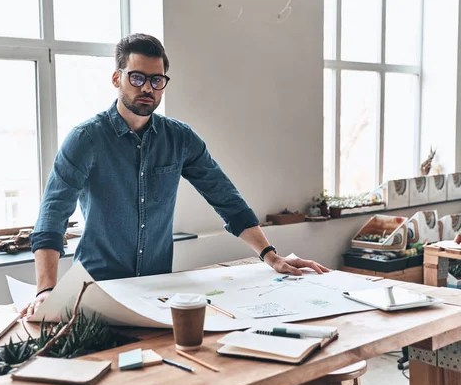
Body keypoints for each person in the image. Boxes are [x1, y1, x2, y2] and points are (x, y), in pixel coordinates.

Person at [23, 33, 329, 318]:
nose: (147, 88)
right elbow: (53, 215)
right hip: (96, 291)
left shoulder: (179, 139)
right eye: (137, 77)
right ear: (117, 78)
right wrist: (46, 289)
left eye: (157, 80)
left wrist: (271, 257)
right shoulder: (86, 139)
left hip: (157, 291)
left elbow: (226, 199)